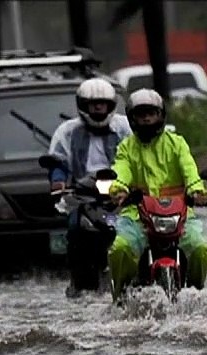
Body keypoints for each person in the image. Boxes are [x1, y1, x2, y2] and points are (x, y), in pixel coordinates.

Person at [106, 88, 207, 297]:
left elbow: (189, 168)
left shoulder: (177, 143)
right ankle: (119, 296)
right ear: (132, 118)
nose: (146, 119)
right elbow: (121, 170)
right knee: (120, 250)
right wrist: (118, 190)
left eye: (151, 113)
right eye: (141, 114)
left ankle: (197, 293)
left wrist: (197, 190)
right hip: (136, 216)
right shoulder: (126, 147)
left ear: (161, 115)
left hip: (178, 216)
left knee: (200, 250)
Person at [46, 77, 132, 296]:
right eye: (93, 104)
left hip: (121, 193)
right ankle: (79, 281)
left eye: (102, 104)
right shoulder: (67, 132)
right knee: (75, 228)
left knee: (140, 226)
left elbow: (140, 155)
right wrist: (58, 180)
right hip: (85, 195)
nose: (98, 108)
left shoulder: (125, 127)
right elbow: (58, 162)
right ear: (82, 105)